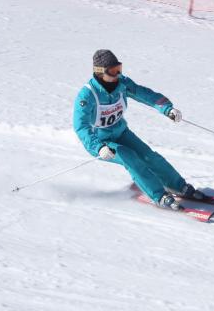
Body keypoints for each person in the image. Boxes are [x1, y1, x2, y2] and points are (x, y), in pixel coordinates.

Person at [73, 49, 204, 210]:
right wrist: (98, 147)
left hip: (121, 133)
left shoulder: (122, 84)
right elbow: (81, 126)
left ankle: (178, 186)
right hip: (101, 142)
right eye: (113, 71)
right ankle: (159, 196)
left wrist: (166, 108)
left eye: (119, 69)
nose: (118, 74)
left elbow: (145, 94)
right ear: (100, 72)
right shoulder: (87, 96)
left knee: (149, 156)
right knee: (130, 158)